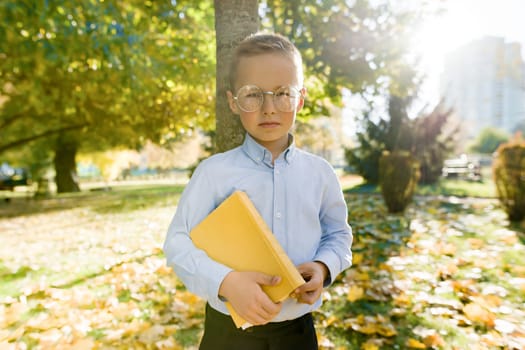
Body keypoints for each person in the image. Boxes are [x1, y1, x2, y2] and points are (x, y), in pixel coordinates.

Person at [163, 32, 352, 350]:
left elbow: (339, 235)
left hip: (297, 333)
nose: (269, 108)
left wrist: (323, 267)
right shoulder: (213, 173)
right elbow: (177, 244)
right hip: (229, 335)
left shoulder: (320, 174)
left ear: (300, 99)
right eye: (253, 94)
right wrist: (226, 281)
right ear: (232, 102)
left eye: (283, 93)